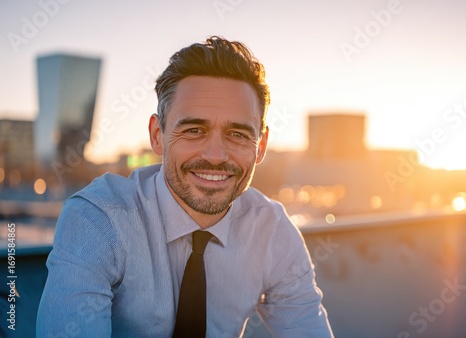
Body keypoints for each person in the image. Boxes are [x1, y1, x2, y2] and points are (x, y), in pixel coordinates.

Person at [37, 36, 334, 337]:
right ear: (157, 135)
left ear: (261, 147)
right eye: (194, 130)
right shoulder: (100, 219)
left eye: (238, 134)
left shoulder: (272, 230)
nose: (216, 156)